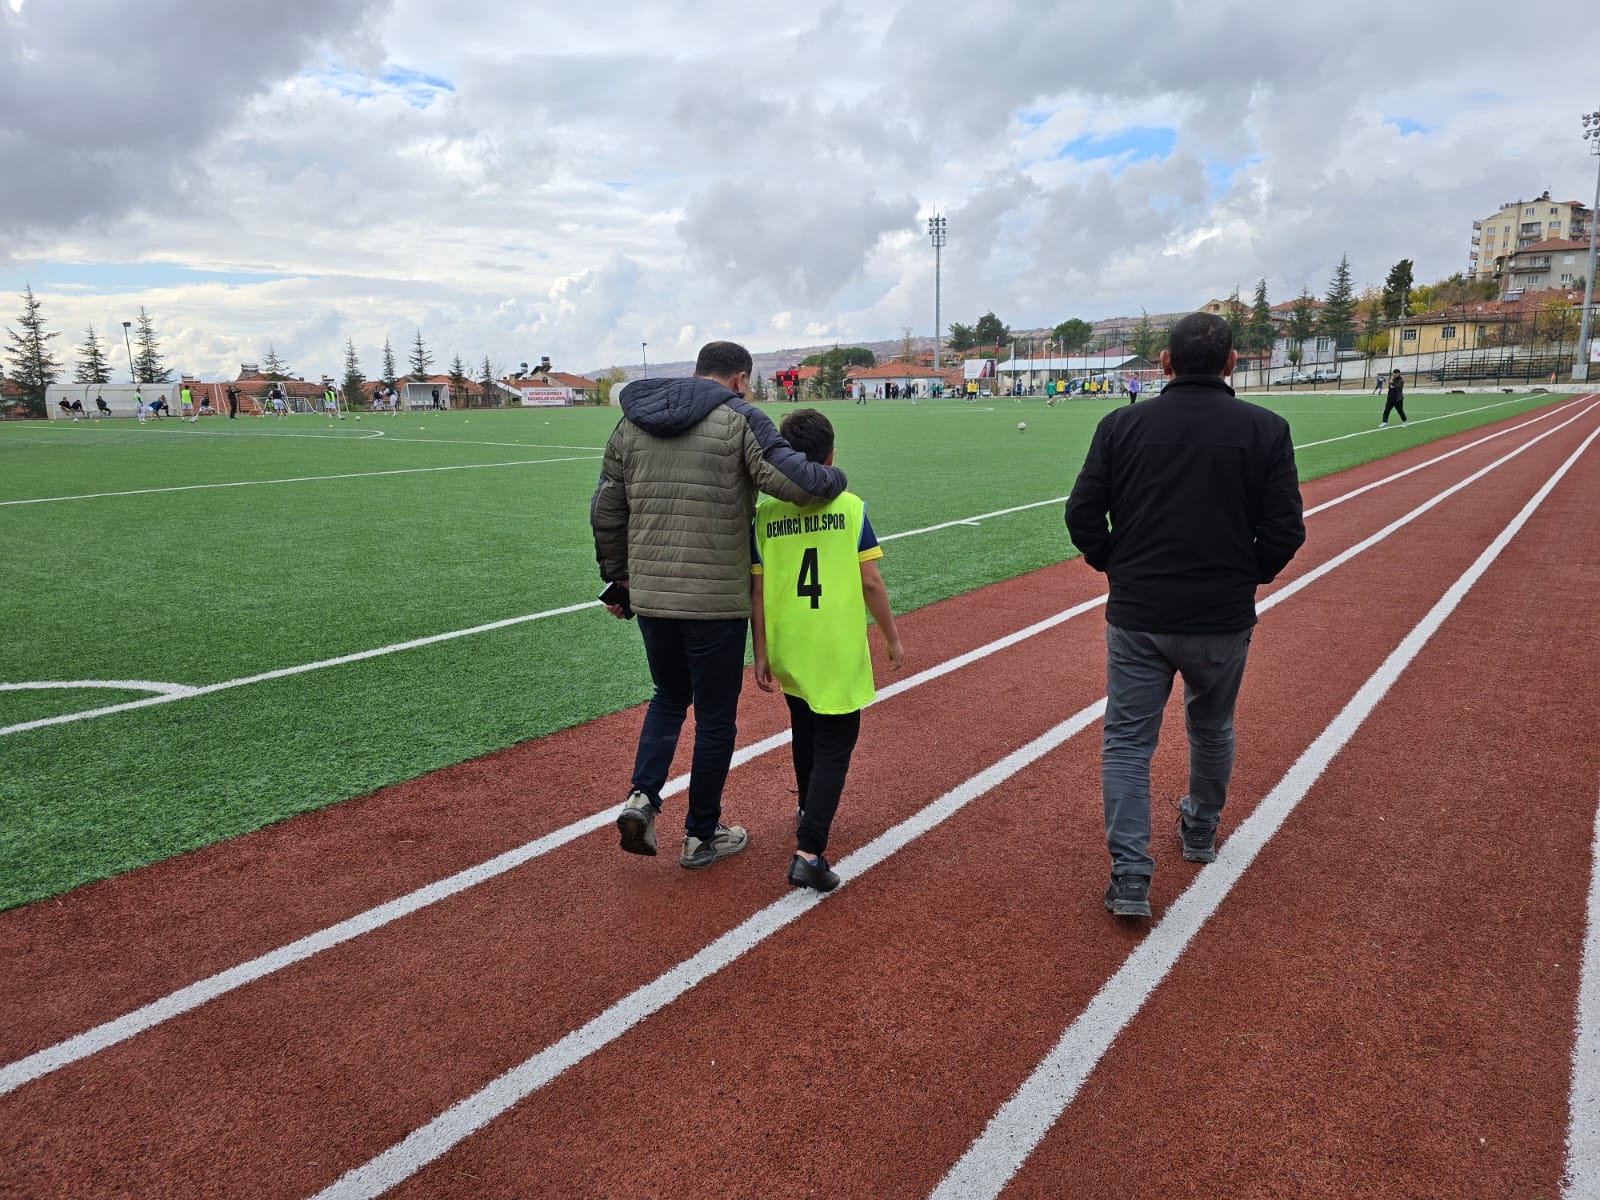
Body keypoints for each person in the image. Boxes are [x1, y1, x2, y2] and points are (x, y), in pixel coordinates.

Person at [1065, 312, 1306, 919]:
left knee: (1127, 742)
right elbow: (1284, 531)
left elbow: (1082, 514)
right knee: (1212, 726)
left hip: (1140, 613)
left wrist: (1116, 563)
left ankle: (1130, 875)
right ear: (1231, 363)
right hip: (1222, 616)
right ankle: (1200, 829)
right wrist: (1246, 575)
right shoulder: (1266, 429)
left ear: (1165, 363)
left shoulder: (1120, 425)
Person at [591, 341, 847, 871]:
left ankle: (642, 795)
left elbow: (606, 510)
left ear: (696, 371)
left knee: (667, 696)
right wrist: (836, 477)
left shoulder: (629, 424)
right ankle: (700, 835)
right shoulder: (740, 419)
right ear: (740, 379)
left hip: (654, 597)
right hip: (716, 603)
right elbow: (797, 482)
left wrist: (620, 580)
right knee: (714, 721)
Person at [750, 409, 905, 891]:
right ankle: (809, 850)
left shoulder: (765, 513)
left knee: (804, 729)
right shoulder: (850, 507)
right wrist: (892, 637)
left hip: (789, 643)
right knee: (836, 745)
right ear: (831, 457)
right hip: (834, 646)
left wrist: (759, 652)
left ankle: (806, 807)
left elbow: (756, 589)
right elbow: (870, 581)